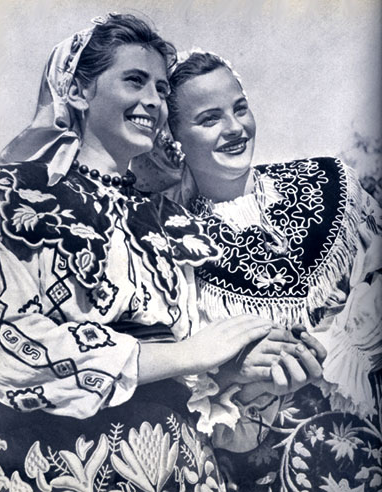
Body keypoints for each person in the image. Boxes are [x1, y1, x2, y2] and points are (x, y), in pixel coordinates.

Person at [0, 16, 289, 492]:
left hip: (181, 467)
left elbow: (185, 359)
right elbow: (10, 344)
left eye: (162, 89)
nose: (153, 101)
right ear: (78, 92)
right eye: (134, 80)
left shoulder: (169, 221)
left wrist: (231, 370)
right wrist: (187, 355)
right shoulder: (11, 194)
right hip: (53, 462)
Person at [133, 51, 382, 490]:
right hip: (260, 465)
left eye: (240, 108)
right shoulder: (167, 239)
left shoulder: (329, 182)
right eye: (210, 119)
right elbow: (170, 370)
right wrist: (232, 372)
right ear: (173, 140)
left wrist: (346, 339)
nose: (234, 128)